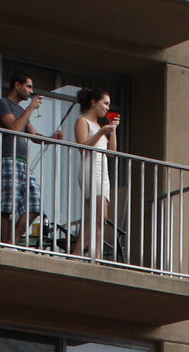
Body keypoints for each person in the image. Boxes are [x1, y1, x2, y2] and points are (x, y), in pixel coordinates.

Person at [0, 72, 44, 244]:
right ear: (17, 85)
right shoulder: (3, 103)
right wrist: (31, 108)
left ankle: (12, 242)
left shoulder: (21, 110)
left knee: (35, 203)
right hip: (8, 158)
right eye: (28, 86)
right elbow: (14, 128)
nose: (31, 91)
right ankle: (4, 243)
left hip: (23, 162)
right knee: (8, 205)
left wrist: (53, 138)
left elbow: (34, 135)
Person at [70, 88, 116, 258]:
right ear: (94, 102)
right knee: (97, 216)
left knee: (100, 219)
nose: (107, 108)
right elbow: (83, 146)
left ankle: (95, 258)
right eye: (105, 103)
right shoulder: (83, 121)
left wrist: (113, 130)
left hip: (103, 172)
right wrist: (101, 133)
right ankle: (77, 253)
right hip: (91, 169)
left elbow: (111, 152)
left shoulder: (99, 126)